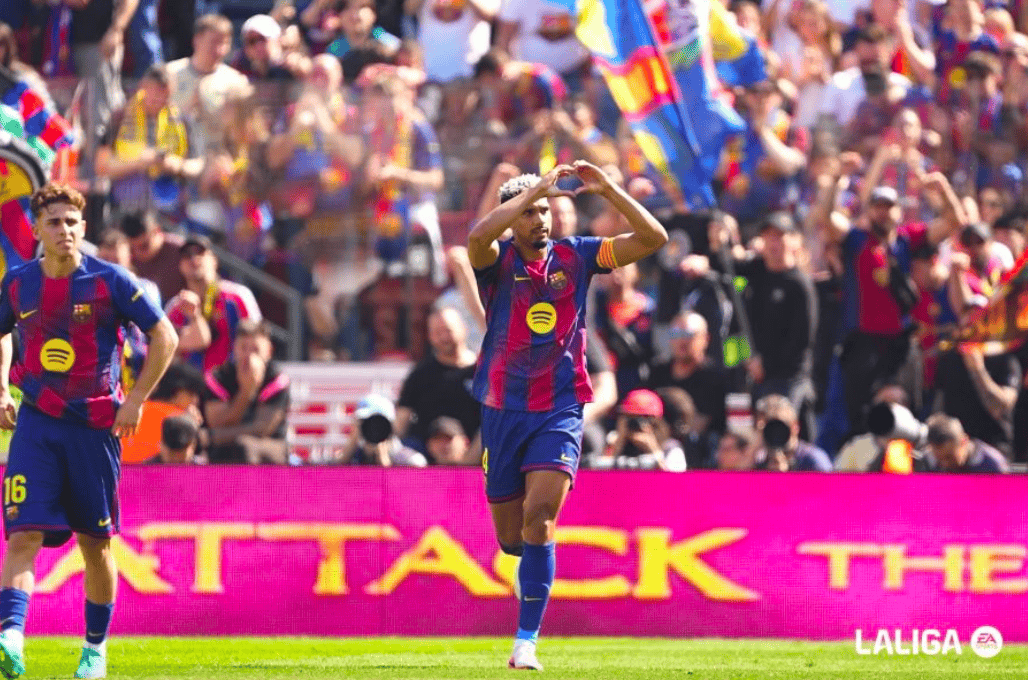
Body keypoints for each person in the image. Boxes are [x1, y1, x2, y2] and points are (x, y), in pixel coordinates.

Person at [467, 160, 667, 670]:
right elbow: (477, 236)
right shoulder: (494, 260)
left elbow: (654, 237)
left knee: (541, 519)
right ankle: (528, 567)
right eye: (529, 212)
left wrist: (610, 190)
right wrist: (534, 187)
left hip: (559, 408)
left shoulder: (577, 256)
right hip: (504, 409)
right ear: (513, 218)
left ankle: (526, 642)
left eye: (544, 210)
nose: (541, 219)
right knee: (511, 538)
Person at [0, 183, 178, 679]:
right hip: (37, 421)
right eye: (54, 222)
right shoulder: (18, 283)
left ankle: (94, 650)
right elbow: (2, 333)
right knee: (22, 534)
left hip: (94, 428)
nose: (65, 230)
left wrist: (135, 401)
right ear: (38, 230)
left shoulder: (110, 281)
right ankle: (10, 637)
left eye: (72, 222)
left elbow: (165, 334)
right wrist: (1, 388)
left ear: (83, 227)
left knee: (95, 544)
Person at [164, 235, 263, 372]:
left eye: (200, 253)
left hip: (230, 380)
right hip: (190, 382)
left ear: (214, 260)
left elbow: (257, 343)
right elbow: (166, 350)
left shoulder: (237, 296)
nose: (193, 259)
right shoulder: (176, 306)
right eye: (186, 256)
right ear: (180, 266)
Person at [203, 319, 291, 464]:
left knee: (244, 446)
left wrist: (214, 436)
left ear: (268, 351)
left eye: (255, 349)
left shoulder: (276, 380)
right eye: (244, 348)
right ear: (235, 348)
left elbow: (263, 428)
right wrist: (245, 392)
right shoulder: (219, 377)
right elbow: (217, 422)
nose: (249, 355)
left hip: (271, 446)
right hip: (224, 449)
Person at [396, 307, 480, 452]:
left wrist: (470, 456)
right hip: (425, 457)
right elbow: (402, 420)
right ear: (429, 336)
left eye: (448, 330)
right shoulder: (420, 374)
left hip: (477, 454)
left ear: (464, 329)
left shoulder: (483, 372)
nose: (444, 337)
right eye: (437, 333)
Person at [337, 394, 428, 466]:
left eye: (378, 425)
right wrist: (348, 452)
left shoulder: (410, 461)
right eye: (364, 422)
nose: (373, 430)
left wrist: (384, 461)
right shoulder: (353, 458)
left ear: (390, 425)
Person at [753, 394, 833, 472]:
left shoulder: (814, 461)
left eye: (779, 426)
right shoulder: (759, 460)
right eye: (768, 427)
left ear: (795, 427)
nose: (774, 433)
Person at [924, 413, 1009, 473]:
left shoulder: (992, 465)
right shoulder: (927, 461)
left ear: (964, 441)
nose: (944, 464)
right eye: (939, 459)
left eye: (949, 457)